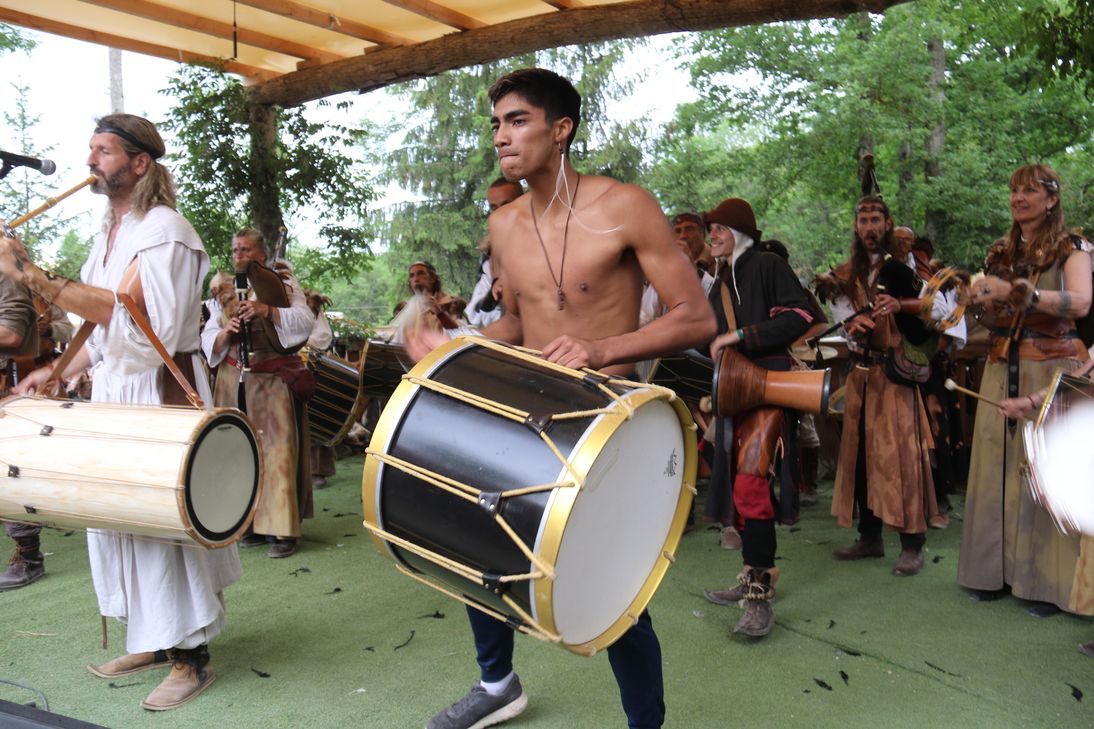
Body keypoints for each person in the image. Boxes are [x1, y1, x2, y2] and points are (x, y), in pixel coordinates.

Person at [408, 68, 716, 729]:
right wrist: (454, 347)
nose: (501, 136)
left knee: (615, 588)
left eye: (517, 120)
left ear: (561, 129)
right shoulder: (504, 225)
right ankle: (497, 684)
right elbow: (517, 323)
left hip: (606, 420)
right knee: (478, 539)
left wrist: (601, 348)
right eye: (496, 124)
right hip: (526, 413)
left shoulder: (625, 206)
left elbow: (697, 317)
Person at [0, 113, 237, 710]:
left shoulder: (166, 232)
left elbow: (150, 329)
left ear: (139, 163)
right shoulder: (111, 234)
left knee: (160, 526)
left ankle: (191, 658)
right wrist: (58, 372)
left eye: (103, 151)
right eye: (90, 150)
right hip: (115, 395)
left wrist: (29, 273)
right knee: (118, 523)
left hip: (157, 395)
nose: (89, 162)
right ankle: (155, 639)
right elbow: (102, 333)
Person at [959, 164, 1094, 618]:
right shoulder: (1000, 252)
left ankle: (1049, 586)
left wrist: (1025, 294)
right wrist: (978, 302)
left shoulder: (1073, 247)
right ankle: (992, 573)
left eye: (1030, 191)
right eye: (1015, 190)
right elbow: (993, 318)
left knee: (1044, 469)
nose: (1019, 198)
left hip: (1051, 367)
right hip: (1001, 367)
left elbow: (1081, 302)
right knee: (994, 466)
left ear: (1052, 199)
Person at [815, 195, 949, 577]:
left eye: (876, 219)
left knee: (903, 459)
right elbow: (842, 314)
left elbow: (940, 311)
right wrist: (852, 326)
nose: (870, 227)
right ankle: (870, 537)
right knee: (860, 458)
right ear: (856, 227)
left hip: (897, 374)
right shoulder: (846, 273)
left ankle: (912, 544)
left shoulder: (907, 267)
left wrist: (902, 306)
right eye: (863, 220)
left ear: (887, 224)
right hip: (861, 375)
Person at [697, 199, 813, 637]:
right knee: (738, 485)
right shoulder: (721, 280)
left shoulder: (766, 264)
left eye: (720, 228)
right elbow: (708, 336)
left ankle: (759, 597)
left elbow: (801, 315)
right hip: (733, 391)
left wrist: (742, 335)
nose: (712, 235)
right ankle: (751, 572)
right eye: (710, 229)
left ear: (741, 231)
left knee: (750, 483)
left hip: (767, 388)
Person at [202, 229, 316, 558]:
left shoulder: (282, 283)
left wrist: (267, 310)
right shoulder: (221, 290)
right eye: (235, 249)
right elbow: (208, 335)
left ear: (261, 255)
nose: (238, 254)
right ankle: (248, 524)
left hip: (271, 379)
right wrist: (225, 332)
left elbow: (304, 321)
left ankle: (280, 529)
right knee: (237, 452)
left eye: (246, 249)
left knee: (276, 453)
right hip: (231, 380)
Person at [0, 270, 42, 591]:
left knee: (8, 469)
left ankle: (29, 556)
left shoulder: (6, 273)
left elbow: (12, 333)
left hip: (10, 385)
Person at [467, 178, 524, 327]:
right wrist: (492, 295)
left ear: (523, 202)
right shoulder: (490, 259)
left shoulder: (546, 242)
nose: (499, 213)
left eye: (506, 205)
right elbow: (474, 315)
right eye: (494, 208)